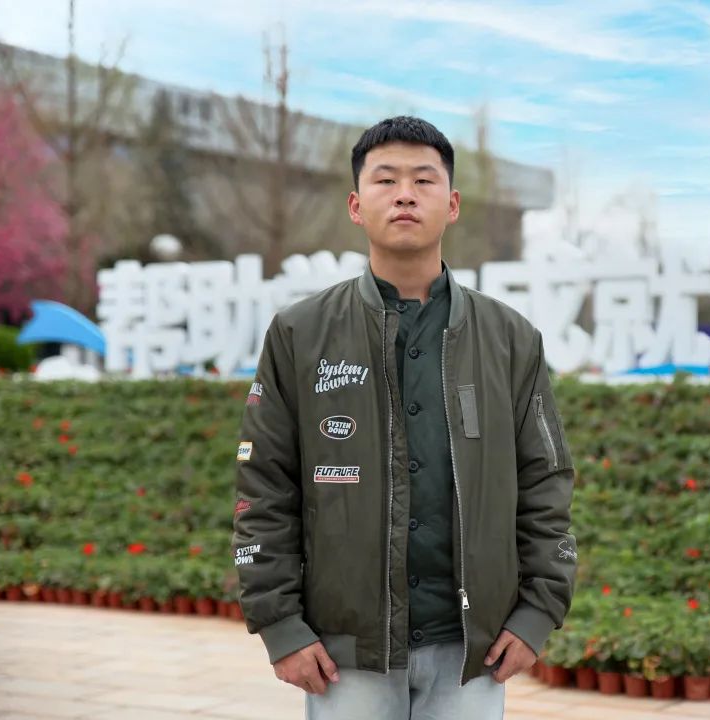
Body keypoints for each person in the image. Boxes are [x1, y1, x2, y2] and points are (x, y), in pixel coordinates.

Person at [232, 115, 577, 720]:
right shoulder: (300, 333)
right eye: (386, 180)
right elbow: (264, 487)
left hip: (472, 650)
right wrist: (280, 625)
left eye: (423, 179)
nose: (405, 195)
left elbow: (545, 483)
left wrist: (537, 613)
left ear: (453, 204)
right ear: (355, 205)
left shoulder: (510, 338)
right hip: (345, 654)